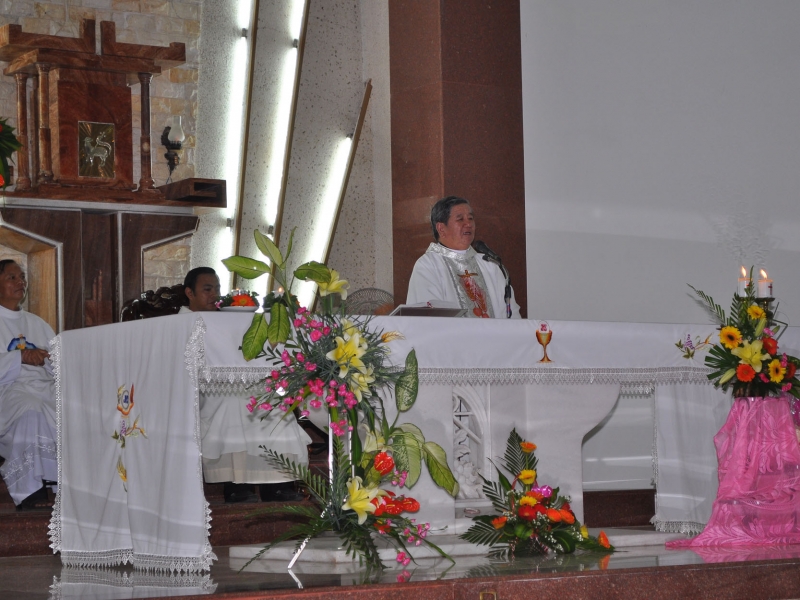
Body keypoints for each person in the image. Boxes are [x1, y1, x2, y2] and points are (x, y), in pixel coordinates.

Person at [180, 267, 310, 503]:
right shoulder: (180, 323)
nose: (214, 294)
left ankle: (277, 483)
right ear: (190, 292)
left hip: (240, 383)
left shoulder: (228, 320)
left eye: (217, 289)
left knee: (272, 403)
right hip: (204, 389)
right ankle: (237, 484)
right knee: (233, 405)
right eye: (207, 289)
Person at [0, 260, 57, 509]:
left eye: (22, 277)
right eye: (12, 277)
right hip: (8, 389)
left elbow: (58, 361)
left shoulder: (37, 322)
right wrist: (20, 357)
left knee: (72, 406)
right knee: (32, 409)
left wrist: (47, 359)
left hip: (44, 386)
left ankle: (66, 485)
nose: (21, 282)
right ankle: (31, 491)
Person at [407, 196, 521, 318]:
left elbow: (511, 314)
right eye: (460, 219)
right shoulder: (428, 265)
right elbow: (428, 316)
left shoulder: (489, 264)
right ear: (441, 228)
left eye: (470, 218)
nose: (468, 224)